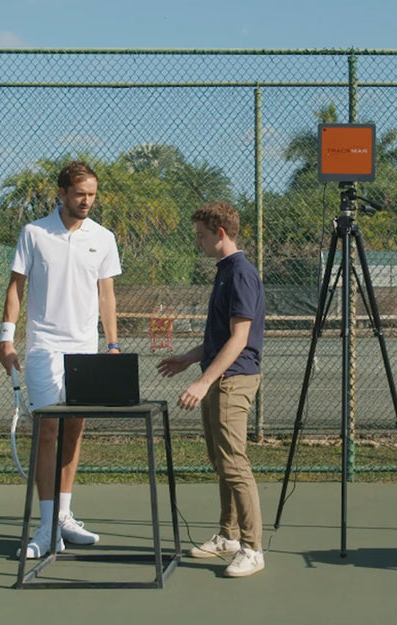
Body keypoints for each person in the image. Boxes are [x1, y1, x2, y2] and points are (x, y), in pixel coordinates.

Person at [0, 161, 122, 559]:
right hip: (44, 348)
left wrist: (113, 344)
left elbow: (106, 294)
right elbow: (16, 287)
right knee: (48, 430)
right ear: (62, 194)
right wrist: (6, 339)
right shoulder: (34, 233)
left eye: (92, 195)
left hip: (85, 349)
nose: (87, 201)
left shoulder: (103, 238)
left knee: (75, 429)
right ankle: (47, 527)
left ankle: (64, 518)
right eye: (80, 194)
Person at [157, 201, 265, 578]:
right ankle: (229, 536)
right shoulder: (225, 272)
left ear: (220, 233)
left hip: (233, 379)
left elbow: (238, 339)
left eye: (201, 236)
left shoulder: (240, 274)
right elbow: (218, 338)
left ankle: (252, 548)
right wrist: (188, 359)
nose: (198, 242)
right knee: (222, 462)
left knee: (234, 463)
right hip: (220, 377)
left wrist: (203, 383)